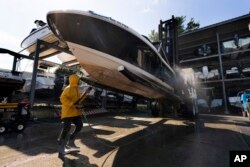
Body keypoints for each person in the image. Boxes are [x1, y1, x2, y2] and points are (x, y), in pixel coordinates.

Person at [57, 74, 90, 155]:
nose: (79, 81)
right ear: (74, 80)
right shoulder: (68, 89)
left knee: (79, 125)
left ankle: (70, 142)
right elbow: (62, 98)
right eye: (78, 80)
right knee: (66, 128)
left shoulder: (77, 89)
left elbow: (79, 100)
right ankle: (61, 147)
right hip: (68, 112)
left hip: (75, 112)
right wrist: (73, 104)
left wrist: (86, 93)